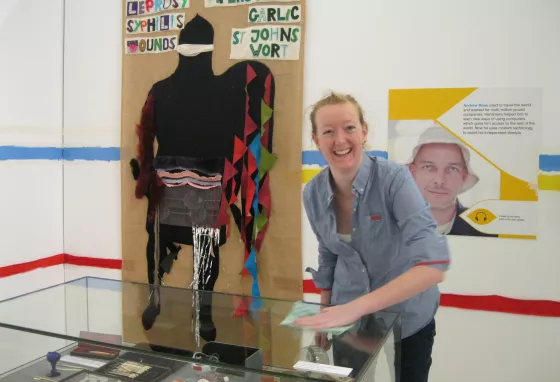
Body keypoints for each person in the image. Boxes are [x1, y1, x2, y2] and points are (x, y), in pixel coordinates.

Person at [295, 92, 451, 382]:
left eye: (349, 128)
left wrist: (353, 308)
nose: (340, 140)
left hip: (408, 314)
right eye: (328, 131)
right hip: (348, 317)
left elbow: (433, 264)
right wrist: (326, 313)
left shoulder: (394, 180)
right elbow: (329, 254)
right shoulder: (312, 192)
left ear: (364, 132)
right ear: (316, 140)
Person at [406, 125, 497, 237]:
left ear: (463, 176)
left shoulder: (486, 231)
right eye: (428, 167)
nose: (439, 181)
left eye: (452, 169)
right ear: (412, 172)